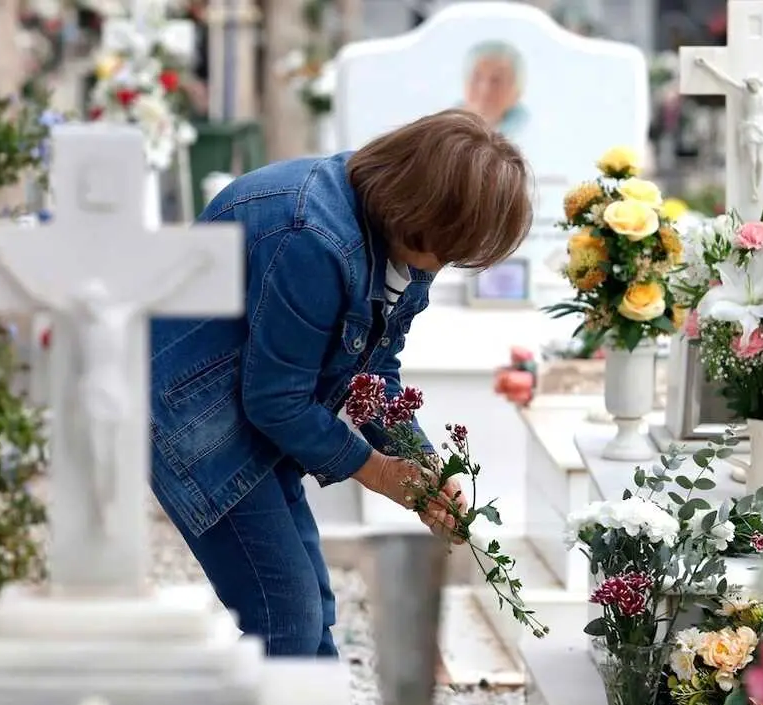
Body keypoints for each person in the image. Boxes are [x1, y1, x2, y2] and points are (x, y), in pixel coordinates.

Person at [148, 109, 533, 657]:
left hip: (250, 399)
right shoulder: (313, 237)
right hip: (193, 414)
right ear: (421, 210)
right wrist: (379, 472)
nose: (445, 264)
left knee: (310, 606)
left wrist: (424, 466)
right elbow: (276, 401)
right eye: (448, 247)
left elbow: (375, 371)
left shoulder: (397, 236)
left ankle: (315, 695)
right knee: (284, 613)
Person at [460, 41, 530, 139]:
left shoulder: (529, 135)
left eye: (497, 80)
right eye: (476, 77)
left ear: (517, 92)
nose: (484, 90)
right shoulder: (443, 123)